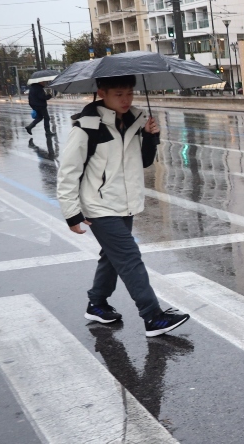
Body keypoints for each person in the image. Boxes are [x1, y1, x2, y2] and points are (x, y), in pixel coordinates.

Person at [56, 75, 189, 337]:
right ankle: (152, 316)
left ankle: (97, 303)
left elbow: (143, 161)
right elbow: (68, 172)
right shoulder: (86, 128)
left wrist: (152, 136)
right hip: (98, 206)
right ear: (102, 93)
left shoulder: (133, 122)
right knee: (128, 257)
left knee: (112, 256)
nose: (126, 99)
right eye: (119, 94)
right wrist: (72, 214)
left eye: (129, 93)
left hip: (125, 203)